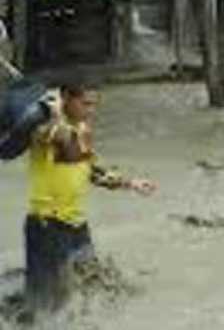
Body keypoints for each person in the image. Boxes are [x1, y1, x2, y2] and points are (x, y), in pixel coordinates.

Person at [23, 76, 156, 319]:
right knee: (46, 306)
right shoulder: (42, 129)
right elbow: (59, 139)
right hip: (47, 225)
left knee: (91, 283)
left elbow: (90, 170)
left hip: (76, 223)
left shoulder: (83, 129)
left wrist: (130, 183)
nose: (91, 110)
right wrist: (53, 113)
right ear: (65, 98)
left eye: (94, 104)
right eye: (85, 104)